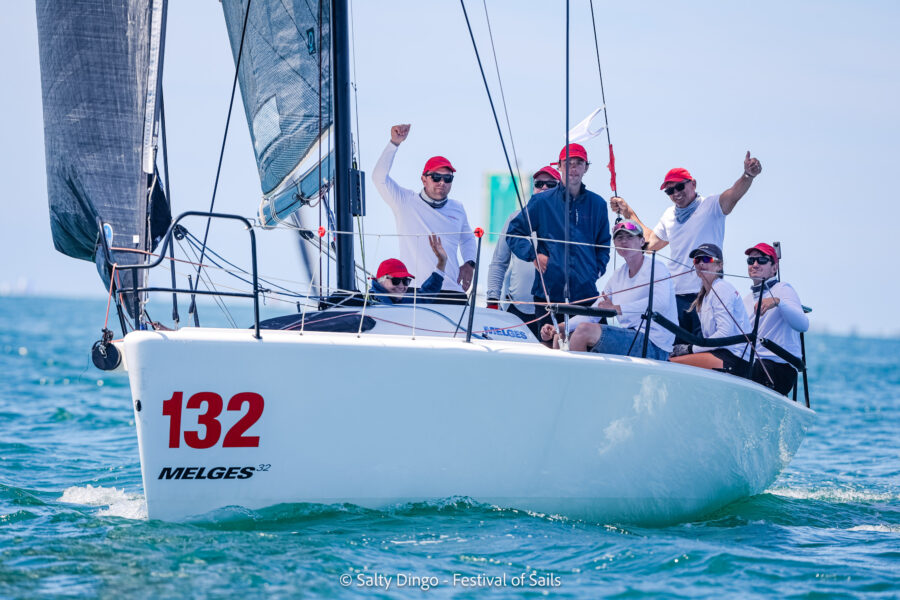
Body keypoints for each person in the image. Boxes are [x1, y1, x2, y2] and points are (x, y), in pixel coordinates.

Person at [609, 153, 762, 341]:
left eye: (680, 186)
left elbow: (734, 194)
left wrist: (748, 175)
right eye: (669, 191)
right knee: (675, 349)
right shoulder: (668, 215)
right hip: (675, 296)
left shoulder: (711, 205)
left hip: (704, 292)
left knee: (703, 344)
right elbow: (649, 245)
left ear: (693, 184)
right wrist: (628, 213)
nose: (676, 193)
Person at [539, 220, 677, 360]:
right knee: (560, 336)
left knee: (583, 331)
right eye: (619, 237)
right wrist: (558, 327)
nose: (624, 241)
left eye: (630, 236)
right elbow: (593, 313)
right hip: (630, 337)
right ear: (615, 244)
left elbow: (661, 303)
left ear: (642, 241)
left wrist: (617, 308)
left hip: (654, 345)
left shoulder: (656, 267)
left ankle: (580, 380)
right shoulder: (618, 275)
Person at [507, 143, 611, 314]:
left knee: (589, 339)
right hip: (548, 295)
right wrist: (533, 255)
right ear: (560, 166)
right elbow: (513, 232)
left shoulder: (598, 204)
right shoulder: (541, 201)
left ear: (586, 168)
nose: (573, 168)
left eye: (579, 163)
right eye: (568, 163)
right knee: (549, 341)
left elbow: (604, 243)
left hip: (586, 296)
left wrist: (596, 270)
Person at [372, 123, 477, 293]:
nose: (442, 182)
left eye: (447, 178)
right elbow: (378, 178)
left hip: (451, 290)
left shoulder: (458, 208)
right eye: (436, 177)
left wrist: (470, 263)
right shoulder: (405, 201)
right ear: (424, 179)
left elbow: (467, 239)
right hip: (416, 289)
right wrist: (394, 143)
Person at [486, 166, 562, 327]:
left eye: (551, 184)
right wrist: (493, 300)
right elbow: (499, 263)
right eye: (539, 184)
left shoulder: (567, 222)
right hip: (517, 311)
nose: (544, 188)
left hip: (553, 310)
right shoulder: (515, 218)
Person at [669, 243, 752, 376]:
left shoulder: (721, 288)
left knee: (670, 363)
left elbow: (724, 333)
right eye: (697, 260)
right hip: (720, 353)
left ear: (720, 265)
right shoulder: (704, 297)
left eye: (707, 259)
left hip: (733, 357)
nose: (701, 263)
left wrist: (690, 349)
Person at [743, 242, 809, 395]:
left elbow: (803, 325)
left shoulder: (783, 289)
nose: (755, 264)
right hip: (754, 366)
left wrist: (777, 302)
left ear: (774, 267)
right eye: (751, 261)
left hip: (779, 370)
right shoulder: (745, 301)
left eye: (762, 260)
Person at [368, 235, 448, 305]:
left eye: (406, 281)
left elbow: (425, 295)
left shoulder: (398, 299)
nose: (401, 286)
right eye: (396, 280)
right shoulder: (370, 302)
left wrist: (442, 262)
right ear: (380, 280)